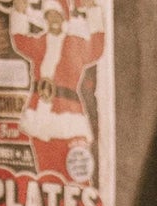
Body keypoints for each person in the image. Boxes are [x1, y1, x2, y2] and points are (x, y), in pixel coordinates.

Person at [10, 0, 107, 182]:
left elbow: (97, 47)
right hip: (40, 114)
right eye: (49, 15)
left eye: (57, 15)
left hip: (69, 116)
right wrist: (19, 11)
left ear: (64, 18)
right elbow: (20, 40)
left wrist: (92, 9)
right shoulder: (40, 43)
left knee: (77, 176)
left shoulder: (75, 43)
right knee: (47, 174)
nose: (53, 19)